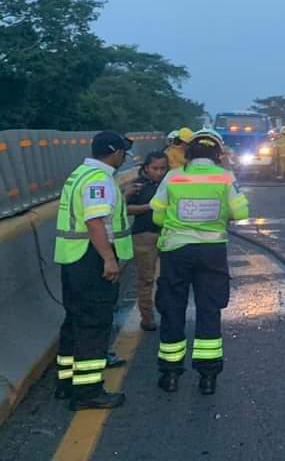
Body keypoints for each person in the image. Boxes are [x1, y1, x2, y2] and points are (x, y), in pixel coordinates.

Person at [151, 129, 249, 395]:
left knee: (173, 308)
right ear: (218, 154)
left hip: (176, 250)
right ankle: (208, 377)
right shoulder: (225, 177)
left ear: (189, 152)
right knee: (209, 309)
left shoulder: (173, 176)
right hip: (212, 252)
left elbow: (157, 217)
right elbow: (241, 211)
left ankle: (170, 375)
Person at [53, 131, 135, 411]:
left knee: (74, 320)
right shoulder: (99, 180)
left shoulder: (81, 173)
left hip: (73, 259)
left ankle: (66, 382)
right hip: (90, 259)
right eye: (123, 151)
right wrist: (109, 259)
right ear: (114, 152)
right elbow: (95, 222)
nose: (124, 157)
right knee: (93, 324)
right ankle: (88, 391)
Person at [123, 151, 169, 331]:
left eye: (163, 168)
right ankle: (147, 318)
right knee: (146, 279)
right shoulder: (137, 186)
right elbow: (124, 209)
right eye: (155, 168)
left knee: (169, 278)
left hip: (168, 236)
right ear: (146, 168)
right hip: (144, 236)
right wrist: (149, 207)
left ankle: (168, 312)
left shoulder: (171, 185)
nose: (159, 172)